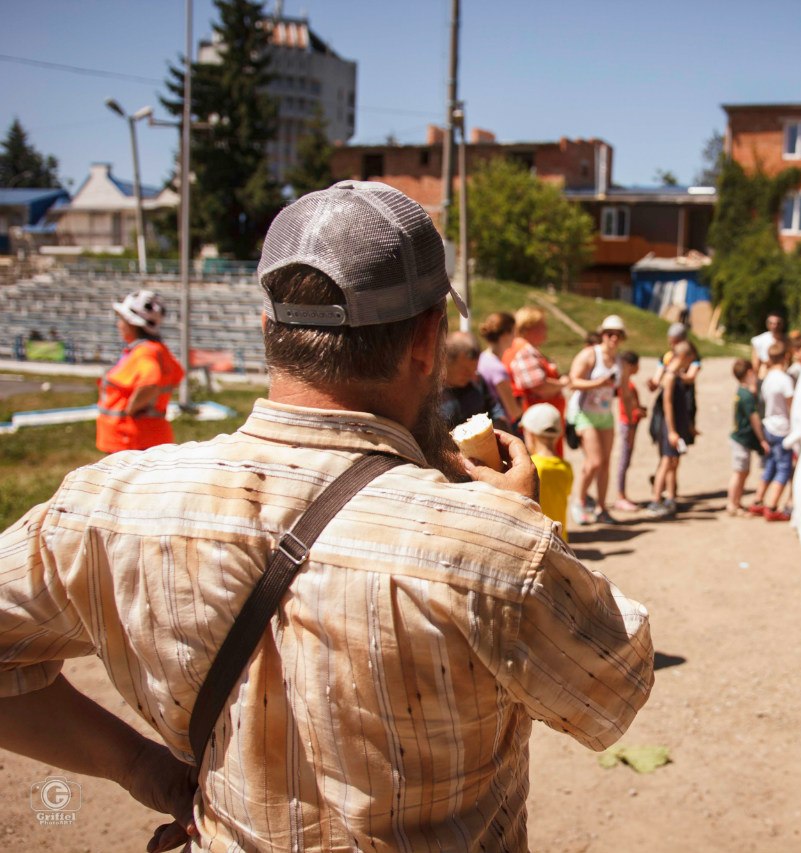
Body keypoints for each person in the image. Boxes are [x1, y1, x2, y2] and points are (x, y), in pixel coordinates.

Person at [0, 180, 653, 852]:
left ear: (266, 332)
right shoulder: (491, 544)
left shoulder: (108, 503)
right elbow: (617, 685)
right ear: (427, 341)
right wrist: (518, 524)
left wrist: (143, 769)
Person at [95, 289, 185, 454]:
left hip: (132, 439)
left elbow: (150, 383)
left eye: (121, 320)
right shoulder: (157, 350)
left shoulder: (144, 352)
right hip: (144, 438)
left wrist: (132, 408)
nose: (119, 325)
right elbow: (176, 374)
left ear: (132, 323)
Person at [568, 316, 626, 525]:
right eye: (610, 334)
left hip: (605, 415)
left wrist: (631, 414)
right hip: (584, 413)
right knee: (594, 462)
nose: (613, 339)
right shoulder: (590, 355)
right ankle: (580, 502)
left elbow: (625, 390)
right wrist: (598, 382)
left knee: (605, 464)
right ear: (602, 334)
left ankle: (602, 507)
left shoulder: (619, 361)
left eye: (618, 335)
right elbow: (572, 382)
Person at [505, 306, 570, 453]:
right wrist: (562, 384)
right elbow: (539, 386)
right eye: (542, 326)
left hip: (537, 422)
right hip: (540, 424)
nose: (546, 330)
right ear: (529, 327)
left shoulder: (517, 347)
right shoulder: (524, 350)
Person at [646, 341, 695, 518]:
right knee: (666, 462)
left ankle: (670, 498)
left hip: (676, 425)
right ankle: (656, 500)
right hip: (669, 427)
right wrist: (672, 431)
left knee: (673, 462)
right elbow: (667, 403)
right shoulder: (670, 377)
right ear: (685, 357)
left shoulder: (676, 375)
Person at [748, 342, 795, 522]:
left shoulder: (767, 378)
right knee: (783, 468)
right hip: (783, 428)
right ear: (786, 357)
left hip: (769, 425)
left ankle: (759, 499)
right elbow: (792, 406)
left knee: (770, 465)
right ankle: (773, 505)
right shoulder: (785, 379)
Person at [439, 331, 511, 432]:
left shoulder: (477, 382)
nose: (471, 375)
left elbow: (494, 410)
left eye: (474, 369)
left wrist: (499, 424)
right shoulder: (431, 393)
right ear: (445, 361)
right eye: (465, 370)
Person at [524, 402, 574, 541]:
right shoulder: (566, 467)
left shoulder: (530, 466)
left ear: (530, 434)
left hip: (537, 539)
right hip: (559, 538)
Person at [727, 358, 767, 516]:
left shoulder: (741, 391)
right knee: (739, 472)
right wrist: (762, 439)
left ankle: (736, 502)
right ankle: (732, 504)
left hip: (739, 438)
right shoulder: (747, 397)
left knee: (743, 472)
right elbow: (754, 419)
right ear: (749, 373)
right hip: (741, 440)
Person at [613, 350, 646, 512]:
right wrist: (641, 412)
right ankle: (621, 496)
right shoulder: (627, 385)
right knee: (624, 460)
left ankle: (622, 494)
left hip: (629, 422)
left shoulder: (627, 383)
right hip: (629, 424)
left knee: (626, 460)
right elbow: (631, 409)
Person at [477, 311, 522, 426]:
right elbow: (514, 411)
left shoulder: (482, 358)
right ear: (505, 334)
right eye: (513, 332)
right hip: (500, 425)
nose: (515, 337)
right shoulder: (497, 369)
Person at [751, 311, 787, 378]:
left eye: (777, 324)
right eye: (771, 323)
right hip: (765, 375)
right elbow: (755, 364)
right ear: (767, 324)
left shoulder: (787, 340)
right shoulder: (759, 340)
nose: (775, 326)